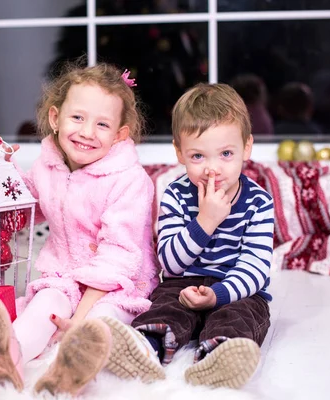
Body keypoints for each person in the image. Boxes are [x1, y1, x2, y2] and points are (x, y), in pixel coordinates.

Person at [0, 62, 161, 396]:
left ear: (119, 134)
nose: (86, 132)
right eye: (78, 118)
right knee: (42, 309)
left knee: (101, 323)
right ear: (55, 119)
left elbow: (118, 257)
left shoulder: (130, 180)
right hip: (64, 274)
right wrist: (2, 170)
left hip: (118, 284)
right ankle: (7, 355)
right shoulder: (48, 165)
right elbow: (25, 206)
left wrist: (80, 320)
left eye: (102, 124)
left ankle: (68, 373)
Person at [101, 83, 274, 389]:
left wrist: (218, 294)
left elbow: (256, 267)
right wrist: (205, 221)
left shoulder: (259, 202)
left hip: (236, 288)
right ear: (179, 152)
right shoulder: (176, 194)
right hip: (183, 283)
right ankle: (144, 347)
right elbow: (170, 263)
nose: (212, 169)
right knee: (165, 306)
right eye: (198, 156)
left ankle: (219, 356)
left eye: (226, 154)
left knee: (243, 314)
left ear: (247, 147)